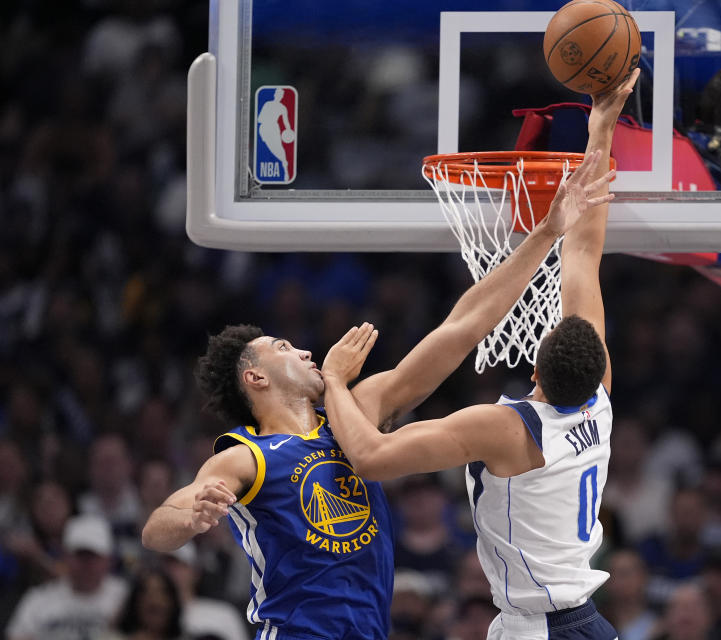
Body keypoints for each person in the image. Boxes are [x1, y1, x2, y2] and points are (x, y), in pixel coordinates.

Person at [140, 144, 616, 640]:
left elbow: (462, 329)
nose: (303, 351)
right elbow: (157, 528)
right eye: (282, 347)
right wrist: (190, 517)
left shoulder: (356, 411)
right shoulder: (247, 457)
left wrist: (546, 233)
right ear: (255, 378)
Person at [318, 69, 640, 640]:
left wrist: (336, 382)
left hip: (539, 629)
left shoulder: (504, 428)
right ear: (599, 370)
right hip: (587, 623)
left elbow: (369, 457)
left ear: (535, 367)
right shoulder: (601, 403)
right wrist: (601, 130)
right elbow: (584, 253)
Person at [6, 514, 128, 640]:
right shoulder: (38, 599)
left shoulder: (125, 596)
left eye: (93, 556)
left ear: (108, 559)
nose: (86, 564)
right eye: (79, 555)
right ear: (65, 557)